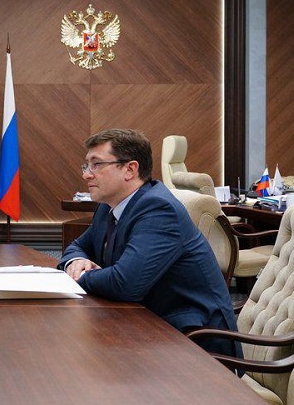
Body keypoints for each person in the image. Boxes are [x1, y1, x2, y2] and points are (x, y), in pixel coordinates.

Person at [58, 128, 242, 360]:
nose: (87, 175)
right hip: (149, 325)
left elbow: (124, 284)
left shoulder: (158, 209)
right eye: (87, 166)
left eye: (96, 165)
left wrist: (79, 276)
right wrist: (76, 261)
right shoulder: (108, 206)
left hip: (196, 343)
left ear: (130, 169)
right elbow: (77, 246)